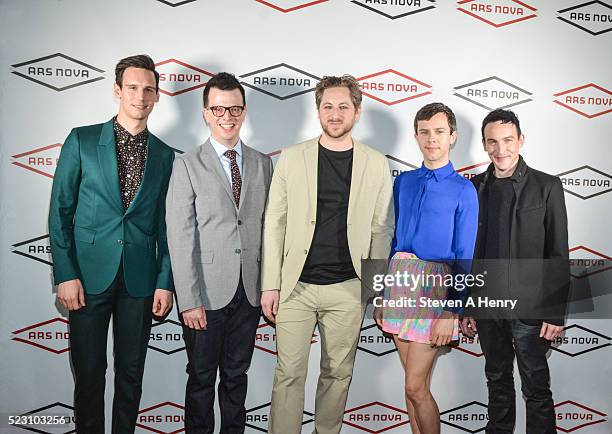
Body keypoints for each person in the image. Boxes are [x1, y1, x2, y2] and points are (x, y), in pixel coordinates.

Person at [260, 74, 394, 434]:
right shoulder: (291, 158)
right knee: (289, 375)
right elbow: (275, 222)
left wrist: (376, 289)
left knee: (338, 374)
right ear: (318, 110)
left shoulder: (376, 163)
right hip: (295, 287)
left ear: (357, 111)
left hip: (349, 288)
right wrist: (269, 285)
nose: (335, 114)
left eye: (343, 107)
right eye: (328, 106)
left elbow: (381, 230)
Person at [48, 54, 175, 433]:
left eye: (148, 89)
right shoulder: (82, 140)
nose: (140, 96)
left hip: (140, 280)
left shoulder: (166, 156)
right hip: (87, 278)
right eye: (133, 87)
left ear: (156, 97)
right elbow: (60, 212)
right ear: (118, 90)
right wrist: (65, 274)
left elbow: (168, 227)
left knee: (131, 375)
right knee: (88, 374)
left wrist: (164, 281)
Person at [166, 72, 273, 434]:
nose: (227, 116)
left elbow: (269, 230)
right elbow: (180, 237)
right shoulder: (187, 164)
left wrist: (268, 286)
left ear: (244, 112)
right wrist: (189, 300)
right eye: (218, 109)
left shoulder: (262, 163)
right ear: (206, 113)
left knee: (235, 378)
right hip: (205, 296)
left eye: (234, 109)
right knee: (199, 380)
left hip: (249, 292)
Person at [461, 109, 570, 434]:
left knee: (536, 389)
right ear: (484, 145)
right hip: (488, 309)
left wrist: (554, 313)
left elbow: (558, 253)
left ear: (520, 140)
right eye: (492, 142)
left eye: (508, 140)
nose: (501, 149)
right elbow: (472, 252)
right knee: (497, 385)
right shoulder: (475, 187)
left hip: (531, 311)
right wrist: (468, 305)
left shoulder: (547, 186)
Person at [375, 102, 479, 434]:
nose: (431, 139)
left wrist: (452, 309)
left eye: (438, 132)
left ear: (452, 136)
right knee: (412, 386)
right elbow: (392, 240)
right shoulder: (403, 181)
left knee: (415, 387)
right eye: (424, 132)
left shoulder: (464, 189)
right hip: (398, 281)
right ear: (416, 135)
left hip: (436, 289)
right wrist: (380, 292)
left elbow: (465, 253)